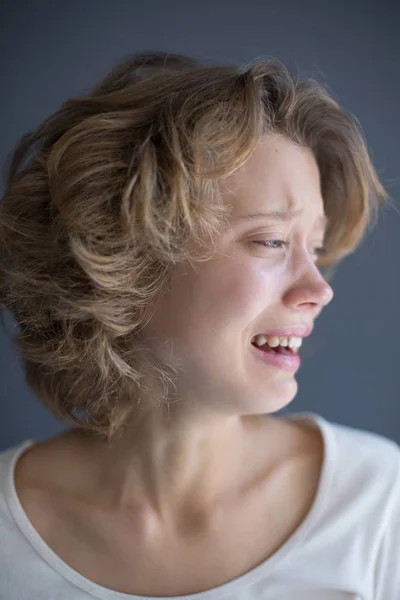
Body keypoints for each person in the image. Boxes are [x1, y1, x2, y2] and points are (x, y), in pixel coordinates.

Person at [0, 51, 398, 599]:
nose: (319, 289)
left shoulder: (379, 507)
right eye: (272, 241)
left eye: (317, 248)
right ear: (127, 258)